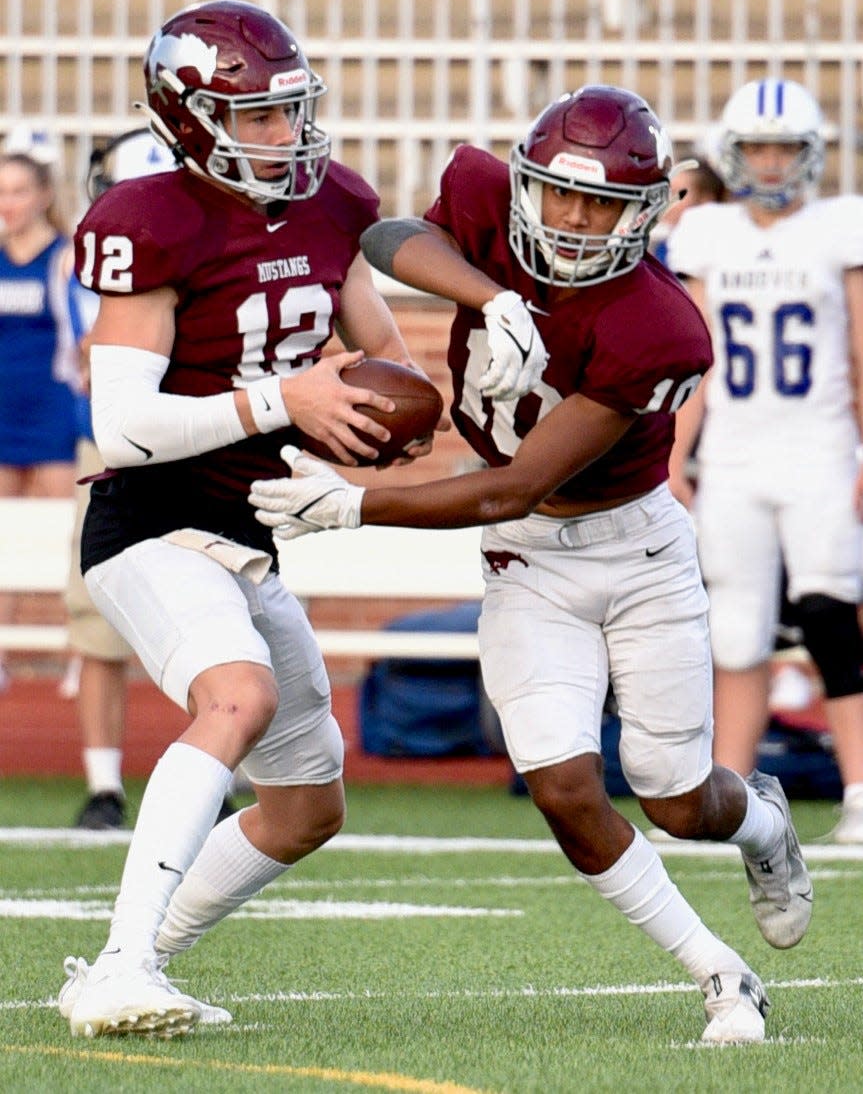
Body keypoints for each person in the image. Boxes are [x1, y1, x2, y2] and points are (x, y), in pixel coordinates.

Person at [248, 85, 813, 1044]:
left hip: (633, 548)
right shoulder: (483, 201)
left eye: (600, 204)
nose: (575, 219)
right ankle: (718, 970)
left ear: (648, 210)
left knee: (675, 797)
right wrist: (489, 293)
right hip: (530, 561)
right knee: (560, 786)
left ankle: (761, 822)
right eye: (556, 194)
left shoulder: (660, 324)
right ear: (524, 182)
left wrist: (354, 506)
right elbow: (389, 238)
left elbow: (511, 484)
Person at [58, 0, 445, 1038]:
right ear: (189, 119)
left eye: (290, 111)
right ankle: (128, 959)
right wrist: (284, 401)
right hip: (149, 520)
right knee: (236, 694)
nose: (286, 136)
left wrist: (389, 416)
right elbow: (125, 426)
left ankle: (121, 964)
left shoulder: (332, 205)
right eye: (260, 118)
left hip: (252, 530)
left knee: (306, 807)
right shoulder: (149, 219)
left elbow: (382, 363)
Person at [665, 78, 863, 845]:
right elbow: (696, 360)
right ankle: (727, 803)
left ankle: (859, 794)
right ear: (733, 154)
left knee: (827, 617)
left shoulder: (838, 229)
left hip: (817, 449)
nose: (772, 163)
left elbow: (857, 351)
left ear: (809, 154)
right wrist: (676, 456)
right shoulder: (707, 235)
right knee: (736, 632)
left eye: (784, 148)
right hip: (736, 459)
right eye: (757, 148)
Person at [68, 128, 179, 829]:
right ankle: (104, 784)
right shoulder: (89, 260)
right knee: (96, 624)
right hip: (115, 448)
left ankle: (216, 772)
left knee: (230, 618)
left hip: (207, 446)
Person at [0, 132, 84, 693]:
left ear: (44, 194)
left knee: (65, 534)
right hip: (1, 410)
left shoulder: (66, 257)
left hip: (52, 410)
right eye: (0, 191)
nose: (9, 202)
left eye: (20, 190)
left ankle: (80, 649)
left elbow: (81, 340)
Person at [649, 153, 726, 267]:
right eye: (664, 192)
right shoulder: (663, 245)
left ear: (706, 200)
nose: (665, 201)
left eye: (676, 193)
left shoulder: (721, 248)